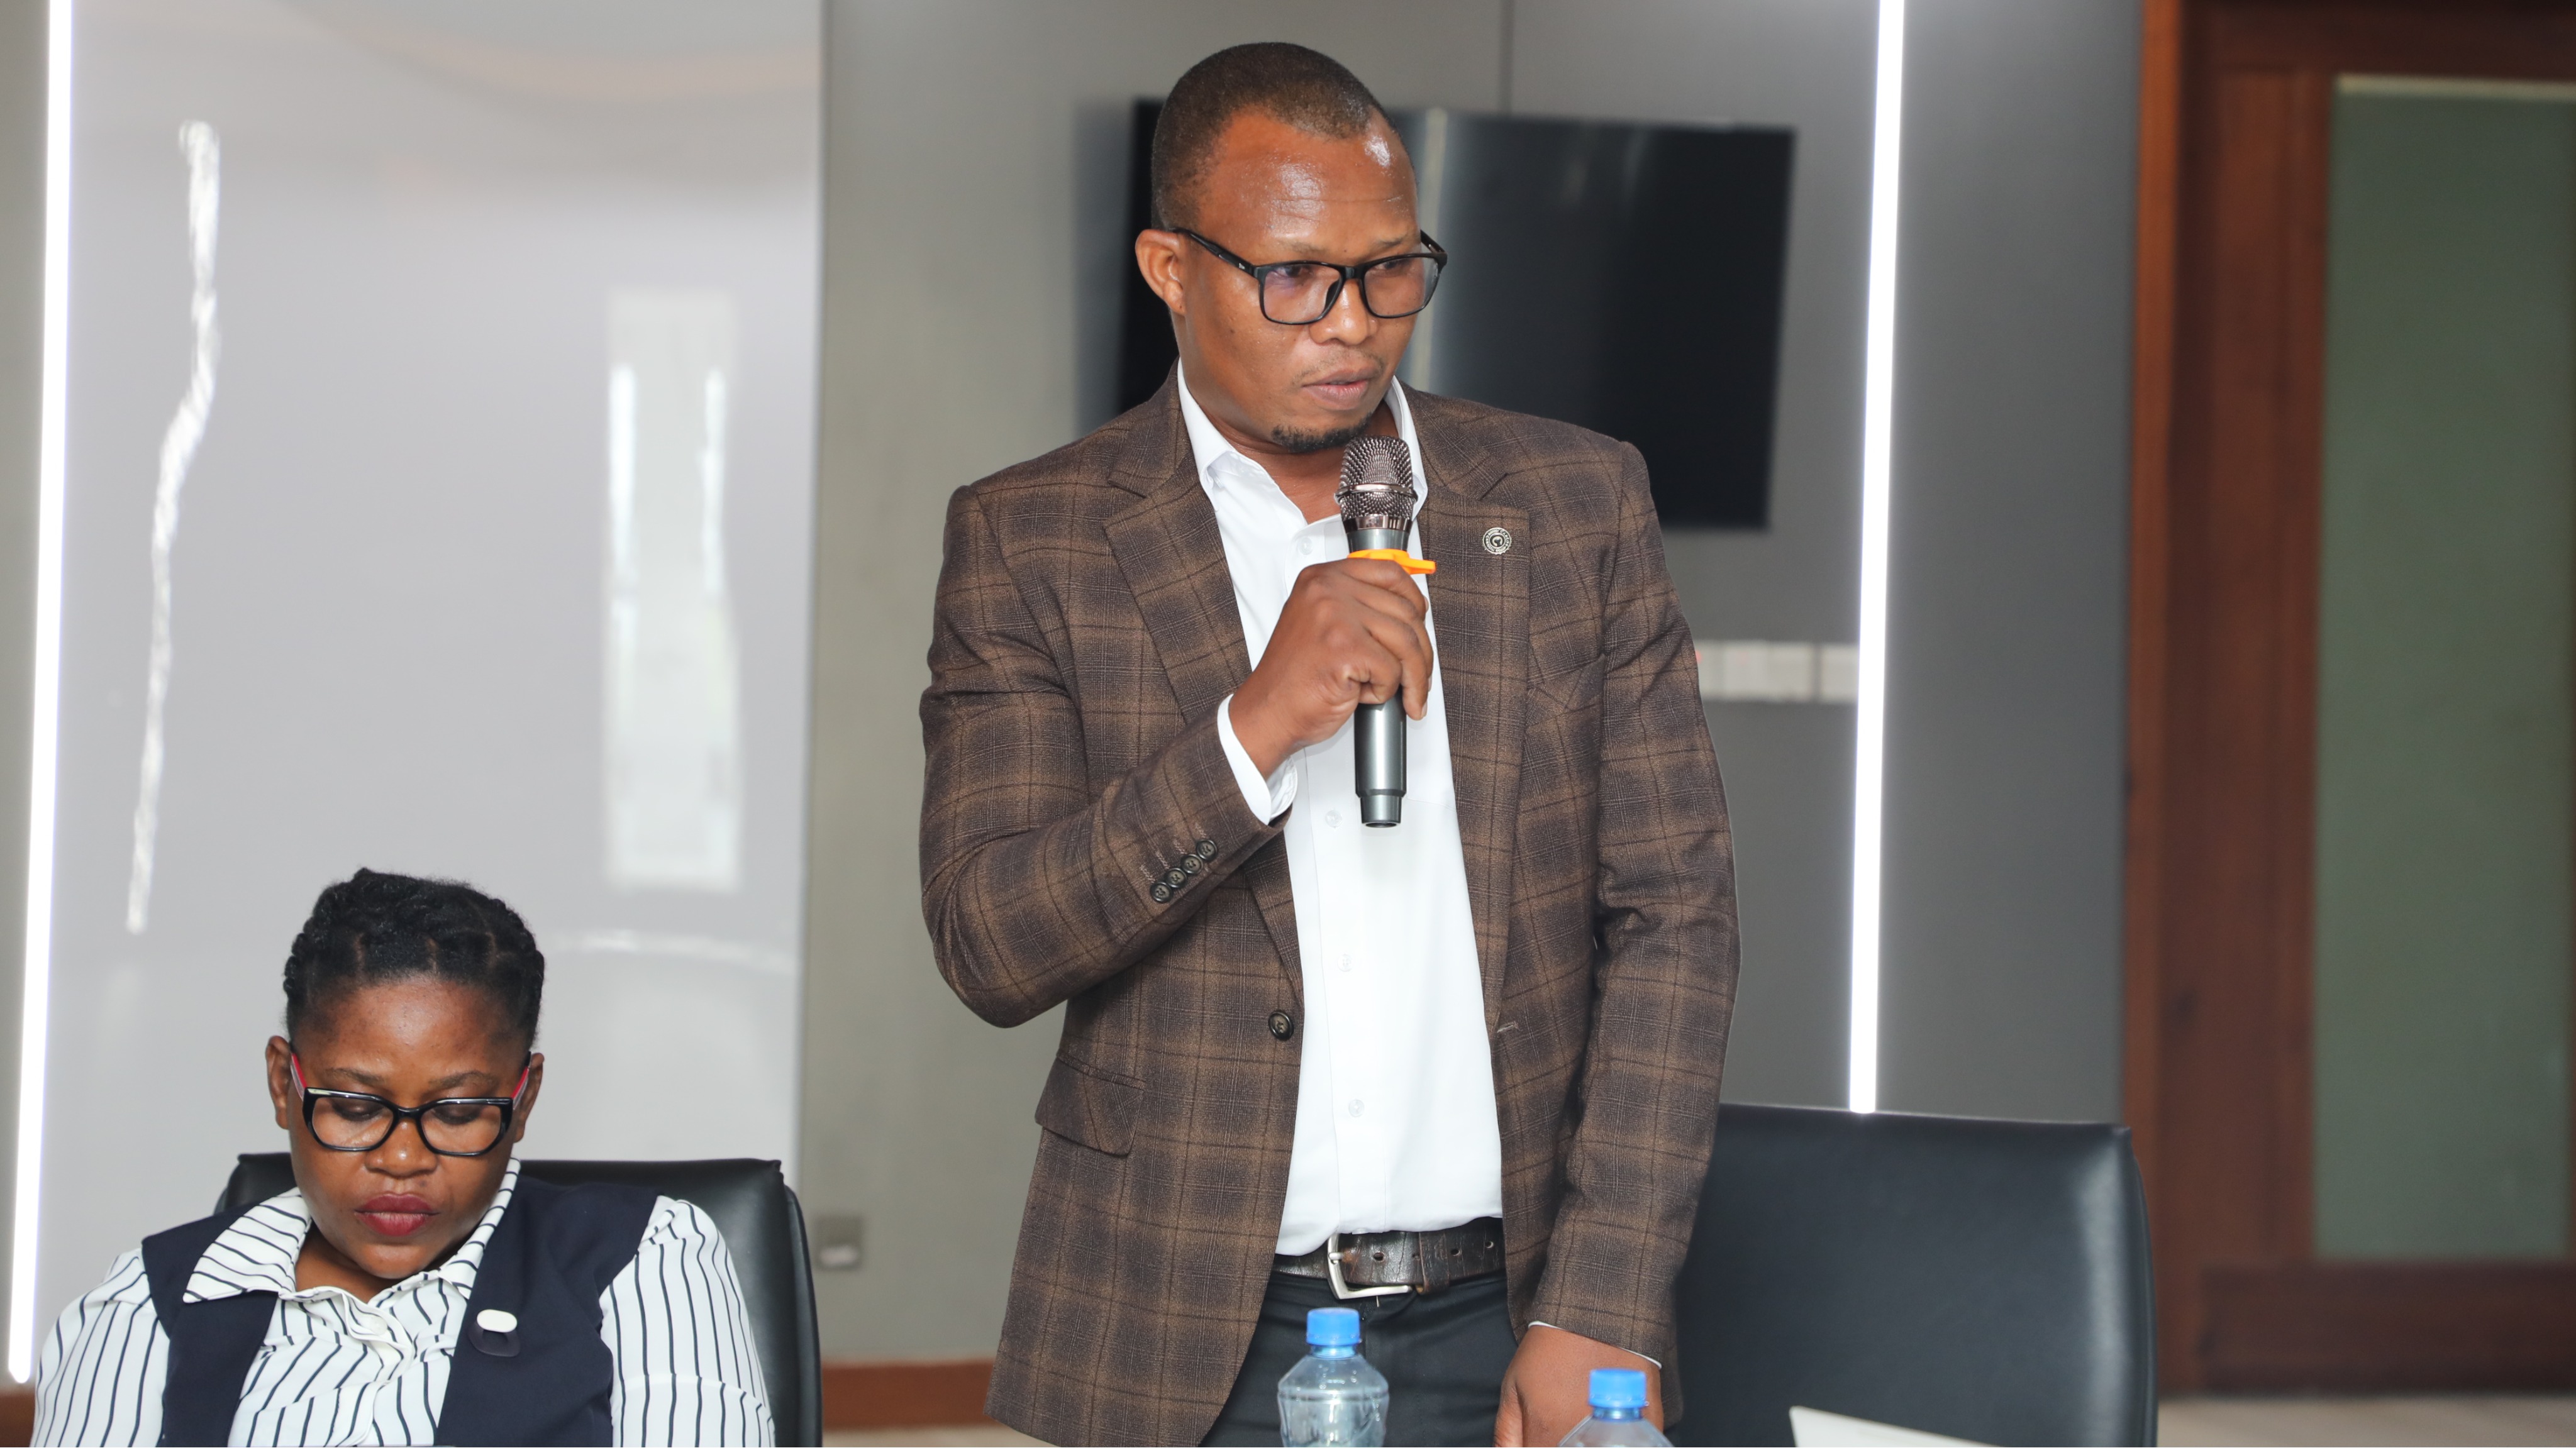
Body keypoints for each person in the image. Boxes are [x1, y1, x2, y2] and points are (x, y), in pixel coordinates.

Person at [918, 41, 1738, 1448]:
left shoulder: (1574, 503)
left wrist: (1602, 1299)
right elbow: (991, 940)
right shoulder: (1031, 536)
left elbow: (1675, 916)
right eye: (1294, 276)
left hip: (1519, 1313)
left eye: (1389, 271)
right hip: (1181, 1334)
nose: (1353, 324)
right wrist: (1253, 728)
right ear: (1170, 269)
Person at [32, 869, 774, 1447]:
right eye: (356, 1107)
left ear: (523, 1100)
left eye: (457, 1111)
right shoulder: (149, 1302)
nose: (402, 1156)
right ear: (284, 1085)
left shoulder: (643, 1256)